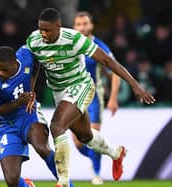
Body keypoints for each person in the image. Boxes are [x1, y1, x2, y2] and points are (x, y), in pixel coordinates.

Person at [26, 8, 155, 187]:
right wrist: (31, 91)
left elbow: (108, 62)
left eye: (47, 30)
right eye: (41, 29)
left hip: (81, 86)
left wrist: (134, 85)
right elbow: (34, 65)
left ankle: (63, 181)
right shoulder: (34, 40)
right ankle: (116, 152)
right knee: (84, 136)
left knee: (57, 126)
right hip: (59, 92)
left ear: (59, 26)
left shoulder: (74, 39)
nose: (43, 34)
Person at [0, 46, 75, 187]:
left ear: (15, 63)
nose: (0, 73)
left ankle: (68, 185)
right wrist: (17, 103)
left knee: (42, 147)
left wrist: (31, 89)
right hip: (6, 124)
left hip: (28, 113)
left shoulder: (26, 56)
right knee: (12, 180)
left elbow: (37, 63)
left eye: (4, 69)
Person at [72, 11, 121, 185]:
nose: (82, 27)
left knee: (92, 135)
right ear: (74, 27)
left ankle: (97, 174)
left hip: (94, 97)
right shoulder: (71, 45)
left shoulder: (99, 47)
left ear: (91, 26)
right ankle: (99, 156)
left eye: (85, 23)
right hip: (75, 98)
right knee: (78, 143)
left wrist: (113, 98)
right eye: (78, 24)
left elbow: (115, 72)